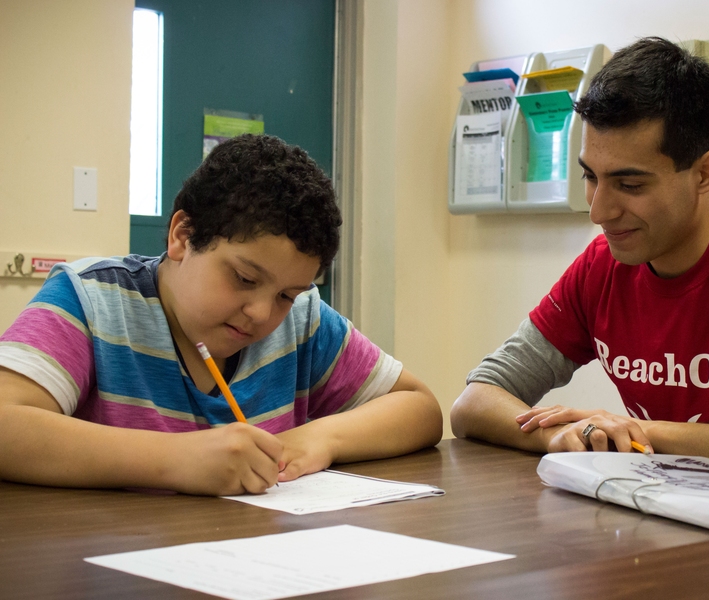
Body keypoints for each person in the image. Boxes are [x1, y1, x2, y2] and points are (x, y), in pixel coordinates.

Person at [451, 37, 709, 485]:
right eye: (590, 177)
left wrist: (644, 434)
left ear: (705, 173)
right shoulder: (602, 267)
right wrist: (559, 436)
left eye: (630, 185)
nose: (598, 212)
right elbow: (476, 401)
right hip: (678, 519)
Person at [0, 134, 442, 496]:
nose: (263, 313)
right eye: (245, 279)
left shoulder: (301, 321)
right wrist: (177, 459)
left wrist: (318, 438)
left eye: (287, 293)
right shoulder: (92, 302)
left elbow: (419, 408)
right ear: (182, 235)